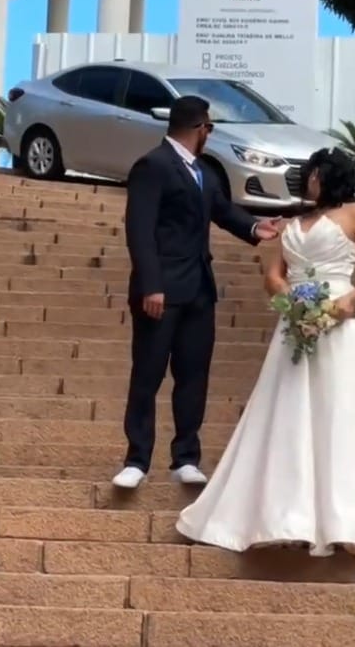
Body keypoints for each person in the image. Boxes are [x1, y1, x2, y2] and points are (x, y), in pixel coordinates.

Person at [176, 147, 355, 556]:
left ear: (330, 176)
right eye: (309, 173)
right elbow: (273, 275)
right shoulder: (293, 223)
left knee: (342, 413)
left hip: (340, 324)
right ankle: (288, 515)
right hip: (296, 323)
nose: (309, 179)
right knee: (290, 411)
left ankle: (348, 521)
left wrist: (349, 301)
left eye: (315, 173)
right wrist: (291, 298)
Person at [112, 95, 280, 489]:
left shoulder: (203, 171)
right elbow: (139, 230)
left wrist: (255, 227)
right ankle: (137, 460)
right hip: (160, 291)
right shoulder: (153, 166)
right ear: (199, 128)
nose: (210, 135)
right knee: (148, 373)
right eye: (209, 128)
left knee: (193, 375)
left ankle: (185, 457)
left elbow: (222, 209)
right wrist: (151, 284)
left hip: (199, 290)